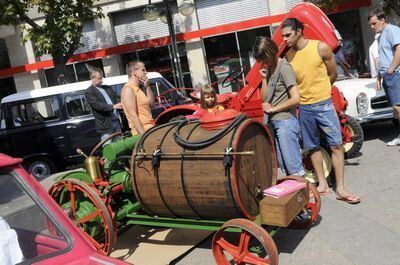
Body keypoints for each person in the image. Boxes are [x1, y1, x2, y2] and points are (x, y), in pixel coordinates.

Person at [282, 18, 360, 204]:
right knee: (312, 147)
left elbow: (332, 74)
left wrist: (322, 92)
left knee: (336, 145)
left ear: (299, 31)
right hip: (305, 108)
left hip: (324, 104)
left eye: (288, 35)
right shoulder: (288, 57)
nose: (284, 39)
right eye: (283, 35)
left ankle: (340, 188)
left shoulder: (320, 48)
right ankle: (323, 184)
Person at [252, 36, 305, 177]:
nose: (262, 63)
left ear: (269, 53)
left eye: (263, 59)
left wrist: (273, 109)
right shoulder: (270, 68)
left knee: (293, 166)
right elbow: (265, 99)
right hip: (274, 122)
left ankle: (305, 194)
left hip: (285, 122)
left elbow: (296, 99)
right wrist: (263, 79)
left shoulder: (284, 68)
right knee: (283, 165)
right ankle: (297, 195)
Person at [368, 9, 400, 146]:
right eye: (370, 24)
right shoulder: (381, 36)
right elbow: (383, 58)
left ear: (382, 20)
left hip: (394, 74)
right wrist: (379, 77)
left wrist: (391, 70)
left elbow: (399, 50)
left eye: (374, 23)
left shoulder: (392, 30)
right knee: (395, 109)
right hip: (388, 75)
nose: (372, 27)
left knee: (398, 107)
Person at [85, 67, 123, 143]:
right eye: (99, 78)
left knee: (120, 145)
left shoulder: (107, 88)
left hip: (116, 121)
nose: (101, 80)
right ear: (92, 78)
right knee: (108, 146)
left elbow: (117, 98)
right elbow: (97, 105)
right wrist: (113, 106)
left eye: (102, 78)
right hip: (105, 125)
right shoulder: (89, 92)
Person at [121, 60, 155, 135]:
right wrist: (143, 136)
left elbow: (152, 104)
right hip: (142, 131)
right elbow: (133, 115)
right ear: (134, 72)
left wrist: (147, 87)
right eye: (143, 70)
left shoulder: (138, 89)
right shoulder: (128, 89)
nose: (146, 72)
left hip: (150, 128)